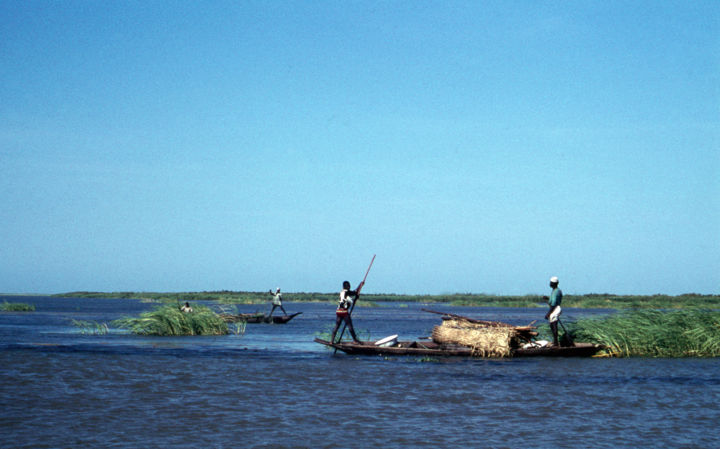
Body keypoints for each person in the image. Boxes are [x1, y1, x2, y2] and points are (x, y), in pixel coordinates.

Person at [544, 276, 563, 346]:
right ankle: (555, 341)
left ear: (555, 284)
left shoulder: (556, 291)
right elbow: (551, 301)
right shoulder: (554, 291)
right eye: (551, 282)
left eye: (552, 283)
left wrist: (548, 313)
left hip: (556, 309)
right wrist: (547, 298)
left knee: (554, 325)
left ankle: (556, 342)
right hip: (554, 308)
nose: (550, 284)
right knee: (552, 325)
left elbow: (554, 304)